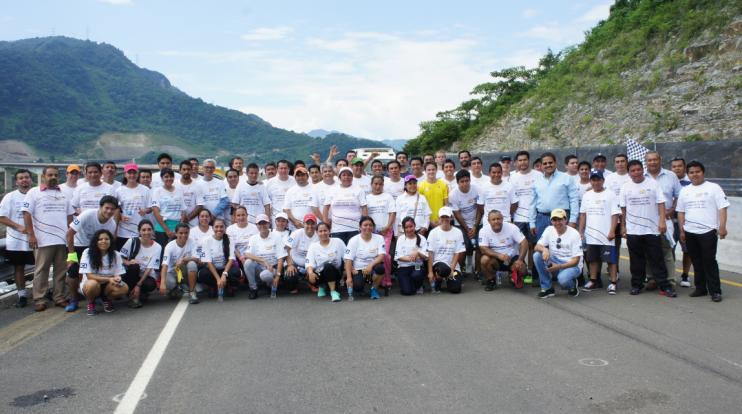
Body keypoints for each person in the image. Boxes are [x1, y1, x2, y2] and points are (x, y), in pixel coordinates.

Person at [620, 160, 676, 297]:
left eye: (638, 169)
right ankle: (637, 285)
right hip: (633, 231)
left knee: (657, 259)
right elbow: (623, 209)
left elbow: (661, 203)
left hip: (652, 230)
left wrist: (662, 221)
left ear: (642, 170)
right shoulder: (625, 187)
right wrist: (623, 226)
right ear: (629, 173)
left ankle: (664, 286)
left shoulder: (653, 184)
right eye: (633, 170)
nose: (636, 173)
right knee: (636, 261)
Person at [22, 166, 74, 311]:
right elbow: (26, 214)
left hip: (61, 239)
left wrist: (70, 237)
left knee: (61, 270)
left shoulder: (64, 194)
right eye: (50, 175)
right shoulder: (34, 192)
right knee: (41, 270)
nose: (53, 177)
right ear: (44, 176)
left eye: (56, 175)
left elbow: (69, 217)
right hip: (42, 240)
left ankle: (59, 297)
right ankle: (40, 299)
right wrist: (31, 234)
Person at [677, 160, 729, 302]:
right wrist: (682, 230)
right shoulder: (685, 190)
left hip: (708, 231)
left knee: (709, 261)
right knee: (696, 261)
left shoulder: (714, 188)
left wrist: (722, 227)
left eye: (697, 171)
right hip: (690, 232)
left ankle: (715, 291)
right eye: (691, 172)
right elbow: (681, 212)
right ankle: (700, 288)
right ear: (688, 174)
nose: (695, 174)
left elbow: (722, 208)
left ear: (703, 172)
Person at [65, 195, 119, 312]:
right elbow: (69, 234)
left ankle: (97, 296)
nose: (109, 211)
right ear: (100, 207)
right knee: (73, 271)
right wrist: (71, 256)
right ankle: (73, 299)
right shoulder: (87, 214)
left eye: (112, 209)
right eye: (107, 208)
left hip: (97, 248)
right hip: (79, 245)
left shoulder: (112, 224)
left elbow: (108, 243)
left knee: (97, 272)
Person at [578, 170, 620, 294]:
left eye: (598, 179)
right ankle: (593, 280)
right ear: (591, 181)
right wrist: (581, 231)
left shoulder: (610, 194)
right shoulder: (587, 195)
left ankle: (613, 282)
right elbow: (583, 215)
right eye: (594, 179)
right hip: (591, 234)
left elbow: (615, 214)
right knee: (593, 259)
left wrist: (612, 231)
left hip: (607, 234)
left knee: (611, 260)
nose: (596, 182)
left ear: (603, 180)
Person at [644, 151, 682, 288]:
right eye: (649, 160)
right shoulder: (641, 176)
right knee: (649, 251)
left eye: (655, 160)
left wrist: (672, 210)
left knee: (667, 250)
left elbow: (679, 196)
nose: (652, 162)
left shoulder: (671, 176)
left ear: (660, 160)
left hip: (666, 219)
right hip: (648, 221)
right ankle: (652, 279)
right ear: (646, 162)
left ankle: (670, 280)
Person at [0, 169, 34, 308]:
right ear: (17, 181)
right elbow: (1, 217)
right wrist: (18, 227)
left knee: (39, 267)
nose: (24, 180)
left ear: (30, 180)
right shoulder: (10, 197)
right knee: (18, 268)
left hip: (34, 239)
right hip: (16, 241)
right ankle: (22, 295)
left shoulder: (36, 194)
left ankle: (40, 292)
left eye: (26, 177)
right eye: (21, 178)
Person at [533, 209, 583, 299]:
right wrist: (544, 249)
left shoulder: (574, 234)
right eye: (554, 220)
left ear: (565, 220)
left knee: (562, 280)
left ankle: (572, 285)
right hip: (554, 260)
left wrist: (559, 266)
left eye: (560, 219)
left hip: (571, 264)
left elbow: (576, 261)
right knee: (537, 255)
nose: (557, 223)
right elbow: (537, 246)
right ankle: (547, 288)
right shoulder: (549, 229)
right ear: (551, 221)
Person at [529, 152, 579, 240]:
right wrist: (532, 223)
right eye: (545, 163)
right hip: (542, 219)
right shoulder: (536, 181)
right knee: (542, 248)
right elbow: (532, 203)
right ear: (541, 165)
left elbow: (574, 200)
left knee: (563, 248)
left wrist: (573, 220)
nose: (548, 165)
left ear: (555, 163)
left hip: (561, 218)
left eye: (550, 162)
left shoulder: (566, 178)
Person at [79, 229, 129, 315]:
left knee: (124, 288)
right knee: (92, 284)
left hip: (108, 285)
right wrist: (109, 279)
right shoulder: (87, 252)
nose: (103, 241)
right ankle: (91, 302)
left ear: (110, 241)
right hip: (92, 283)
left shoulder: (116, 254)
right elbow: (89, 276)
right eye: (100, 239)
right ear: (95, 241)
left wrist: (118, 278)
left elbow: (118, 273)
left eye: (106, 239)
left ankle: (107, 299)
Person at [510, 150, 541, 286]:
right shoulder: (513, 177)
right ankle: (517, 272)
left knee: (534, 245)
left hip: (534, 217)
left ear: (529, 160)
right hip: (518, 217)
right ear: (516, 162)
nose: (522, 162)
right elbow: (511, 198)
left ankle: (532, 272)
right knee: (519, 245)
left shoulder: (538, 175)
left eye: (525, 160)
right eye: (520, 160)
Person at [478, 210, 528, 290]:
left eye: (498, 219)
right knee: (484, 260)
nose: (496, 221)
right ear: (489, 221)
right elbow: (483, 249)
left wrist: (520, 260)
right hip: (496, 260)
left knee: (523, 269)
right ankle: (491, 280)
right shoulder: (483, 230)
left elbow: (524, 242)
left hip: (512, 258)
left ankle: (513, 276)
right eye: (493, 219)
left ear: (502, 219)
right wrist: (499, 255)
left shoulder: (512, 227)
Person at [242, 214, 285, 299]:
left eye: (264, 223)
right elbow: (247, 254)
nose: (262, 226)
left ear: (269, 224)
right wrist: (263, 261)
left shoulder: (277, 237)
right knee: (248, 263)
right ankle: (253, 288)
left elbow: (280, 258)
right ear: (257, 225)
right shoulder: (253, 238)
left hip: (272, 268)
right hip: (259, 267)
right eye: (260, 224)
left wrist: (277, 276)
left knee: (265, 275)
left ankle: (270, 284)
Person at [120, 220, 162, 308]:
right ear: (139, 231)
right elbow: (119, 257)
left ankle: (140, 292)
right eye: (143, 230)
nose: (146, 232)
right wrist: (128, 262)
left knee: (151, 285)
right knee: (134, 266)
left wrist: (138, 285)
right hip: (131, 273)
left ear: (153, 231)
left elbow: (150, 268)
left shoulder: (157, 247)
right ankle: (132, 296)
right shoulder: (132, 241)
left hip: (145, 275)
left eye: (149, 229)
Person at [449, 169, 483, 276]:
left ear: (470, 180)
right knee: (464, 246)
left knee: (480, 246)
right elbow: (457, 214)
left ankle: (478, 270)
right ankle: (461, 268)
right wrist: (467, 229)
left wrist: (475, 226)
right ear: (457, 182)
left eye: (467, 181)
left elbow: (479, 209)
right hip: (461, 224)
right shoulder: (453, 194)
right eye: (462, 181)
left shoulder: (477, 189)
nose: (465, 183)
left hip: (477, 222)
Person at [197, 218, 240, 301]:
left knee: (236, 272)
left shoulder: (230, 239)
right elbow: (208, 262)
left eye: (221, 227)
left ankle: (228, 285)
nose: (219, 229)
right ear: (212, 228)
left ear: (225, 228)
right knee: (202, 274)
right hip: (213, 270)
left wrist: (224, 274)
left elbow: (231, 259)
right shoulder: (206, 241)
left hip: (226, 269)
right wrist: (218, 278)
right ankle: (213, 286)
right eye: (216, 227)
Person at [344, 216, 386, 300]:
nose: (368, 227)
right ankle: (363, 286)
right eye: (365, 225)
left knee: (381, 268)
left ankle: (374, 289)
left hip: (373, 266)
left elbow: (381, 256)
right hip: (359, 269)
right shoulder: (353, 240)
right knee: (358, 287)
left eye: (370, 225)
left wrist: (370, 265)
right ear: (360, 227)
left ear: (373, 227)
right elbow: (348, 259)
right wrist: (349, 278)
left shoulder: (379, 238)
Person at [366, 175, 396, 292]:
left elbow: (392, 213)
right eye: (375, 184)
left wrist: (387, 227)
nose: (378, 186)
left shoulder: (388, 197)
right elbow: (365, 215)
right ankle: (376, 279)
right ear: (371, 185)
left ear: (383, 185)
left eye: (380, 184)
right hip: (371, 232)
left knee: (385, 256)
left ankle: (386, 279)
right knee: (376, 256)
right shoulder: (367, 198)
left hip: (386, 232)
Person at [323, 167, 368, 244]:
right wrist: (326, 224)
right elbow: (326, 208)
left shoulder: (359, 190)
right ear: (339, 177)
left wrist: (365, 225)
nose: (346, 177)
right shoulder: (332, 190)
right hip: (337, 229)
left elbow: (364, 208)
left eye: (349, 175)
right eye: (344, 175)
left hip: (355, 228)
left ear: (352, 177)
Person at [426, 207, 465, 294]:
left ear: (451, 218)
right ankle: (439, 277)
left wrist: (452, 270)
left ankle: (446, 279)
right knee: (443, 269)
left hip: (453, 266)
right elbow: (430, 253)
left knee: (456, 289)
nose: (445, 219)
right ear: (439, 218)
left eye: (447, 217)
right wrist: (430, 272)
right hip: (438, 264)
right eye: (442, 217)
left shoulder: (458, 232)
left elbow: (457, 253)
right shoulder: (433, 232)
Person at [160, 223, 201, 304]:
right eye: (181, 233)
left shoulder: (192, 241)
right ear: (176, 233)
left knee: (192, 264)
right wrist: (162, 283)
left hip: (184, 270)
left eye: (186, 233)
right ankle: (174, 288)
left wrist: (184, 260)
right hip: (172, 271)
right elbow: (164, 265)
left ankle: (192, 292)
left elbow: (198, 259)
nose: (184, 235)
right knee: (170, 283)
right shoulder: (169, 246)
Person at [114, 163, 152, 250]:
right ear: (125, 174)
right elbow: (116, 209)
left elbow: (150, 208)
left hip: (141, 231)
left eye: (134, 173)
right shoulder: (119, 191)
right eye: (129, 173)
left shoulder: (145, 190)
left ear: (137, 174)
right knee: (123, 257)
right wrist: (120, 216)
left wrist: (145, 210)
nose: (132, 175)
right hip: (123, 231)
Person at [306, 222, 345, 302]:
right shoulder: (313, 246)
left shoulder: (338, 242)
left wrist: (347, 272)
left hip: (335, 274)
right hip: (320, 274)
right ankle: (321, 286)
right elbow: (309, 262)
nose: (323, 233)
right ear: (317, 232)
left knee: (327, 265)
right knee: (311, 273)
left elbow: (347, 258)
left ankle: (333, 292)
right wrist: (310, 273)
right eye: (320, 231)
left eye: (325, 230)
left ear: (329, 231)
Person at [283, 213, 320, 294]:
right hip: (295, 263)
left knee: (319, 278)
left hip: (312, 265)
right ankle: (296, 283)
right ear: (303, 224)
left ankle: (310, 282)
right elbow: (286, 249)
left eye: (312, 224)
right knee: (290, 277)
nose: (310, 226)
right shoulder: (296, 233)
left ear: (316, 224)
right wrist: (290, 264)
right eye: (307, 223)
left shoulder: (319, 234)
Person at [150, 168, 187, 247]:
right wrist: (167, 230)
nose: (169, 179)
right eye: (166, 177)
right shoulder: (157, 191)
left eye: (171, 176)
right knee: (162, 253)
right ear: (162, 178)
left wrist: (179, 227)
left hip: (177, 228)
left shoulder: (179, 190)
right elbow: (156, 211)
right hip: (162, 228)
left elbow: (183, 210)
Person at [394, 216, 429, 295]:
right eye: (406, 227)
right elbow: (398, 257)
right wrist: (412, 258)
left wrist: (418, 253)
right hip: (404, 267)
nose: (409, 229)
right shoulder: (401, 239)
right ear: (403, 228)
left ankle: (419, 285)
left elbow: (426, 256)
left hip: (417, 266)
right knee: (407, 292)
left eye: (411, 226)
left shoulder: (422, 238)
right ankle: (410, 285)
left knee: (416, 275)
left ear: (415, 226)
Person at [265, 160, 296, 226]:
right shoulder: (270, 183)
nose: (283, 170)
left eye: (285, 168)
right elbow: (267, 202)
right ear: (277, 169)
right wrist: (268, 218)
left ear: (289, 169)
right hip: (276, 218)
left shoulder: (295, 181)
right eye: (281, 168)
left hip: (292, 218)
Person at [418, 162, 448, 228]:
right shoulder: (420, 186)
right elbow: (420, 206)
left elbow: (446, 205)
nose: (431, 171)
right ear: (425, 171)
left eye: (433, 169)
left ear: (436, 170)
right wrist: (429, 221)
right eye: (428, 170)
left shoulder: (443, 184)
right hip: (426, 221)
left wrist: (442, 219)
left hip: (441, 220)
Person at [178, 160, 205, 227]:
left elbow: (200, 205)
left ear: (191, 170)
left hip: (193, 223)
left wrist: (188, 218)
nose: (186, 171)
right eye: (184, 169)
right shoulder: (174, 184)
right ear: (180, 171)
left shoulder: (198, 185)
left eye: (188, 169)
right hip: (176, 221)